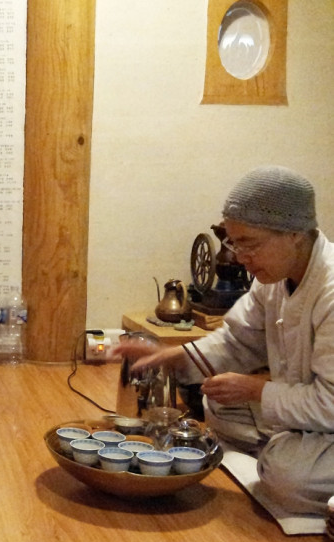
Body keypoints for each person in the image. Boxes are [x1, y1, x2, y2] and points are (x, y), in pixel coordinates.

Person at [116, 165, 334, 515]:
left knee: (288, 479)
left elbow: (330, 403)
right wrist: (171, 356)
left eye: (250, 244)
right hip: (305, 415)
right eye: (234, 242)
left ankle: (285, 456)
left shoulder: (330, 290)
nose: (239, 257)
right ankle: (285, 448)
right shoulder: (273, 278)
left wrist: (255, 390)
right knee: (219, 404)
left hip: (328, 417)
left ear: (294, 233)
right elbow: (236, 340)